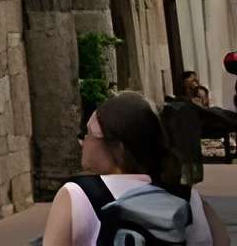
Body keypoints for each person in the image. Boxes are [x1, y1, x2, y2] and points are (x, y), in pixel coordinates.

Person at [43, 93, 212, 246]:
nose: (83, 141)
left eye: (89, 134)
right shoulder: (187, 197)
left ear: (118, 149)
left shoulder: (77, 194)